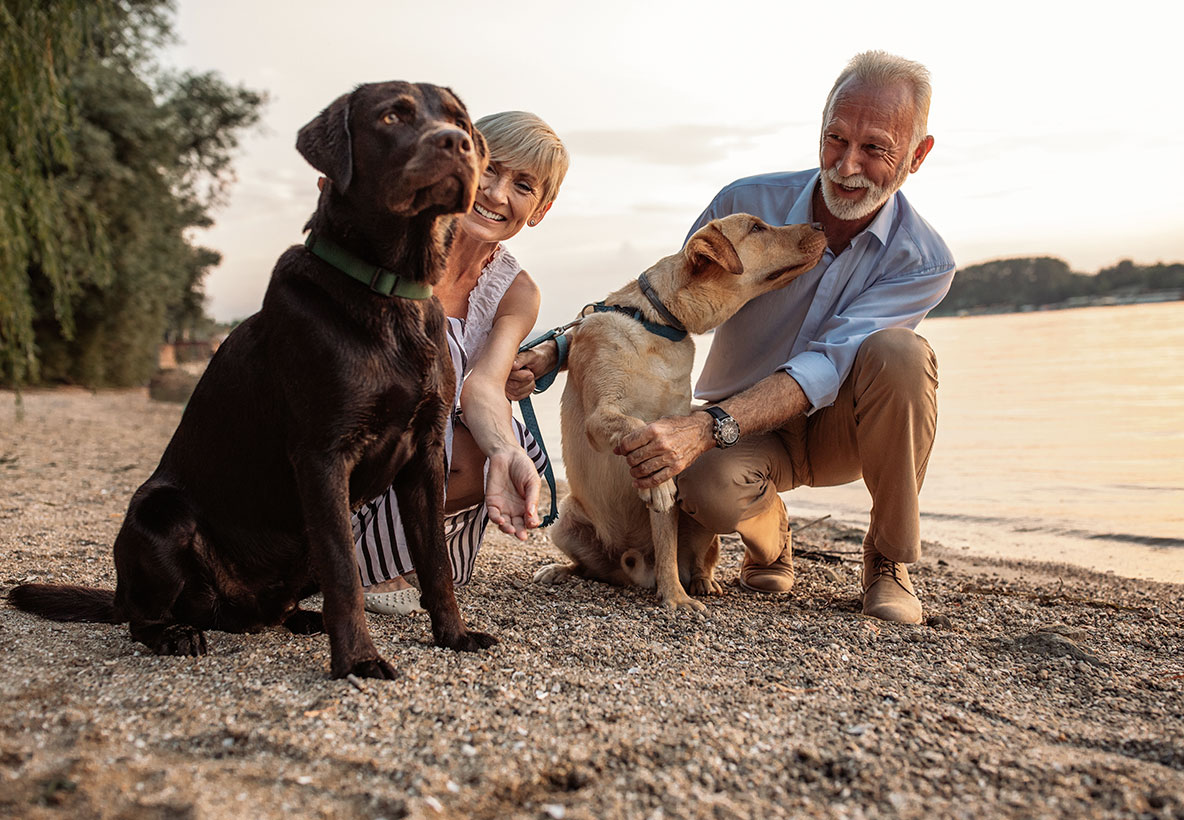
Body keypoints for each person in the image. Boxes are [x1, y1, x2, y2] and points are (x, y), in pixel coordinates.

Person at [519, 51, 954, 624]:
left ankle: (887, 562)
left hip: (842, 428)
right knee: (703, 488)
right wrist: (557, 348)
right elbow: (659, 306)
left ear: (917, 155)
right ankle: (771, 537)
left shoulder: (923, 259)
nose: (847, 165)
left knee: (901, 354)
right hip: (747, 428)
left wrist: (703, 426)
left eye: (875, 148)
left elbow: (827, 365)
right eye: (835, 139)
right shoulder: (742, 205)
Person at [353, 111, 570, 615]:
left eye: (523, 185)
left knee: (520, 451)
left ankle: (396, 559)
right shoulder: (391, 242)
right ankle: (342, 552)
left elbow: (484, 386)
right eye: (489, 168)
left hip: (417, 476)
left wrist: (502, 450)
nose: (496, 194)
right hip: (351, 451)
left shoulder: (517, 291)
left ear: (539, 210)